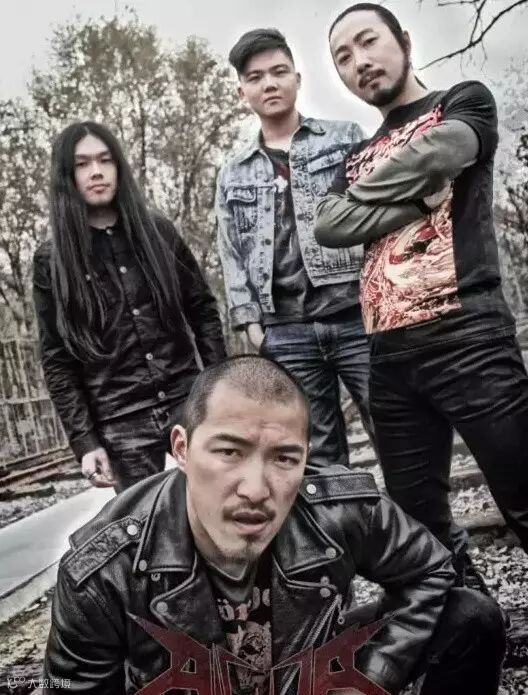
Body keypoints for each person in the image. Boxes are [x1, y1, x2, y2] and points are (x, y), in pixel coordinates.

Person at [42, 355, 506, 695]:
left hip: (302, 680)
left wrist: (369, 679)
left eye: (284, 458)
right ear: (182, 449)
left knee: (470, 616)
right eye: (229, 452)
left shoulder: (338, 509)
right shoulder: (103, 571)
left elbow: (430, 570)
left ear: (306, 459)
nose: (256, 489)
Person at [314, 2, 528, 574]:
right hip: (388, 357)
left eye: (368, 42)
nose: (359, 61)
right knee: (422, 528)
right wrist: (414, 201)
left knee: (522, 495)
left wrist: (360, 201)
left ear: (404, 41)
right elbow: (328, 225)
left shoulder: (462, 100)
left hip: (468, 336)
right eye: (343, 57)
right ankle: (475, 620)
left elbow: (445, 148)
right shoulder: (353, 157)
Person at [33, 121, 226, 492]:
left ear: (118, 166)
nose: (96, 171)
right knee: (147, 522)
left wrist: (218, 391)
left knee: (222, 502)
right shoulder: (51, 260)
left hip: (187, 400)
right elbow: (57, 358)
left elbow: (202, 310)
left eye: (105, 160)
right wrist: (85, 442)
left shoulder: (159, 232)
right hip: (120, 419)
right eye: (82, 164)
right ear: (67, 176)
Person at [216, 28, 375, 470]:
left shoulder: (344, 139)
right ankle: (345, 517)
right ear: (242, 92)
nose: (269, 83)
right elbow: (231, 252)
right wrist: (251, 324)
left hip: (356, 312)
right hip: (286, 330)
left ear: (297, 79)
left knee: (394, 423)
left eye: (279, 72)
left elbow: (375, 216)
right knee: (316, 451)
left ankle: (407, 515)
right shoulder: (233, 171)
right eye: (255, 77)